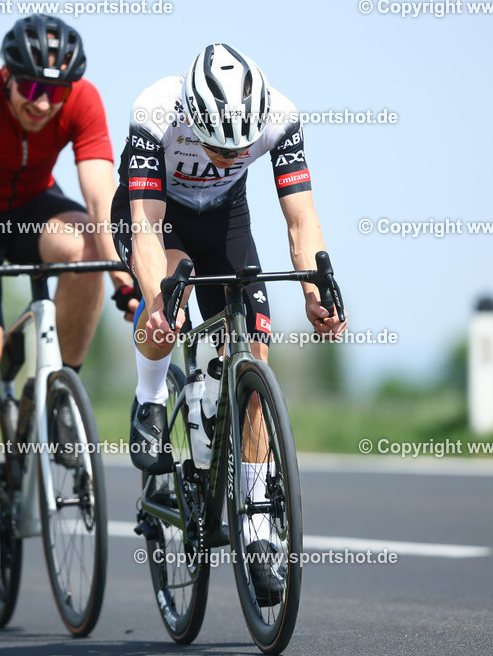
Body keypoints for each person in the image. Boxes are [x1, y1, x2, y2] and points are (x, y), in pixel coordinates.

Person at [111, 43, 347, 605]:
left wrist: (316, 292)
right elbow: (146, 229)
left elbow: (301, 220)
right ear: (192, 117)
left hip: (224, 220)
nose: (228, 154)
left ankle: (258, 523)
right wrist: (156, 299)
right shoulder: (155, 112)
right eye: (217, 145)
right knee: (168, 293)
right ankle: (149, 399)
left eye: (240, 146)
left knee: (255, 350)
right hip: (155, 216)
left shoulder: (281, 117)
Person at [0, 14, 129, 603]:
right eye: (31, 89)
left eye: (55, 92)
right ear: (8, 77)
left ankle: (58, 391)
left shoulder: (82, 100)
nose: (43, 104)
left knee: (89, 250)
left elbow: (99, 197)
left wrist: (120, 269)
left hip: (34, 206)